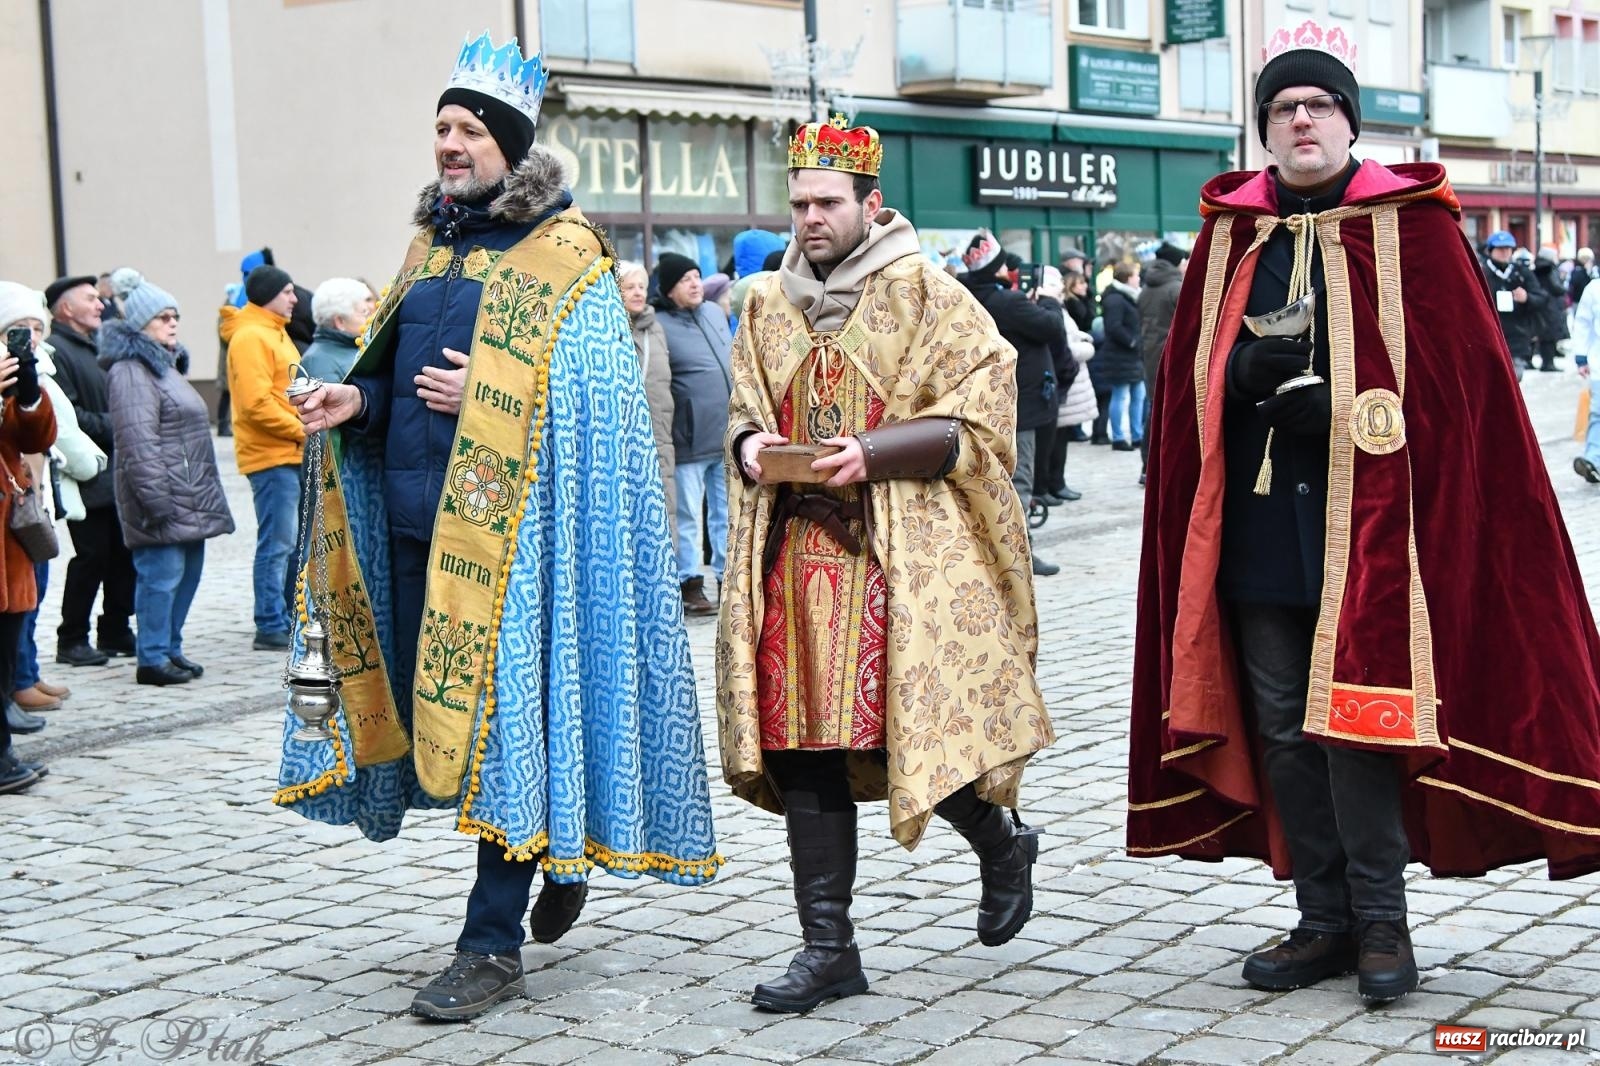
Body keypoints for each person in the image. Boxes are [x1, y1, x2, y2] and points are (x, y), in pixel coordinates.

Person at [1130, 18, 1600, 1008]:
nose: (1300, 122)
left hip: (1379, 531)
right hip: (1257, 530)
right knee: (1283, 728)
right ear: (1264, 132)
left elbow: (1462, 391)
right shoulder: (1230, 235)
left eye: (1318, 107)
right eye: (1283, 110)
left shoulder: (1415, 229)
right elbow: (1183, 387)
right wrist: (1234, 375)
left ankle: (1382, 919)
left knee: (1357, 724)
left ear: (1347, 122)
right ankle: (1323, 916)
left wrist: (1340, 404)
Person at [277, 33, 720, 1022]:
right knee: (453, 734)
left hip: (517, 545)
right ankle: (552, 849)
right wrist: (357, 402)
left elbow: (600, 406)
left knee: (502, 733)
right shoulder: (429, 247)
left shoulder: (568, 255)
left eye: (468, 129)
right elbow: (394, 374)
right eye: (439, 126)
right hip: (408, 529)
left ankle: (490, 945)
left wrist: (496, 389)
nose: (448, 143)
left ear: (510, 148)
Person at [717, 116, 1054, 1015]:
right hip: (793, 557)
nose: (810, 219)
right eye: (798, 204)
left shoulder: (930, 295)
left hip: (894, 555)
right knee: (805, 752)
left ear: (872, 203)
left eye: (828, 202)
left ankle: (999, 841)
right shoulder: (762, 303)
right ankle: (828, 949)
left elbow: (981, 416)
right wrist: (751, 447)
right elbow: (743, 409)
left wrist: (874, 450)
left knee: (909, 731)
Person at [102, 279, 235, 688]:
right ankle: (152, 657)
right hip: (162, 496)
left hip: (189, 494)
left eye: (175, 315)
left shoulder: (165, 365)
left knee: (188, 573)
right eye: (162, 317)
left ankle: (170, 648)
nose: (172, 323)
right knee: (160, 577)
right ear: (140, 325)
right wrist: (155, 499)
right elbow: (137, 443)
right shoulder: (130, 371)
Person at [962, 231, 1069, 576]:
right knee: (1019, 482)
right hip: (1020, 407)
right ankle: (1019, 558)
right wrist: (1050, 299)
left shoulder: (967, 296)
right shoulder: (1007, 302)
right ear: (995, 269)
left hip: (985, 404)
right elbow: (1051, 327)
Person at [46, 275, 135, 668]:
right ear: (66, 309)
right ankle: (72, 637)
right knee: (92, 556)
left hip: (115, 469)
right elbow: (70, 419)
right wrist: (121, 422)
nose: (101, 305)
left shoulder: (97, 347)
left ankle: (115, 629)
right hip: (87, 472)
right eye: (91, 299)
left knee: (122, 555)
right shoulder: (58, 351)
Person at [223, 265, 306, 651]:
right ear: (269, 294)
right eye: (287, 291)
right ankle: (270, 622)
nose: (294, 299)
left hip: (289, 451)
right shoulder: (251, 336)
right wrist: (302, 429)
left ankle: (287, 616)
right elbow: (256, 404)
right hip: (271, 455)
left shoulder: (274, 332)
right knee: (276, 543)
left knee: (289, 543)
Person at [0, 283, 59, 789]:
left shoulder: (11, 372)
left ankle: (1, 752)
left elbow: (34, 438)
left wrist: (28, 393)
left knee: (5, 647)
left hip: (9, 541)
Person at [653, 251, 733, 616]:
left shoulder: (715, 314)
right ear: (669, 289)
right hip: (687, 438)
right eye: (686, 279)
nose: (696, 284)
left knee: (726, 513)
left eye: (698, 277)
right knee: (687, 515)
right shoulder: (659, 324)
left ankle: (726, 578)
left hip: (726, 436)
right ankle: (690, 584)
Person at [618, 262, 676, 544]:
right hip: (623, 435)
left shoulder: (657, 329)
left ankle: (670, 577)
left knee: (663, 505)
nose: (638, 293)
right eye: (630, 287)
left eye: (642, 286)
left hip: (659, 433)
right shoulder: (608, 329)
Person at [1138, 244, 1188, 481]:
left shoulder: (1147, 287)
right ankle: (1159, 465)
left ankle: (1147, 465)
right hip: (1171, 356)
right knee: (1167, 409)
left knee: (1153, 407)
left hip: (1150, 354)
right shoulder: (1176, 289)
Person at [217, 248, 277, 437]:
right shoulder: (239, 296)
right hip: (238, 353)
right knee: (232, 393)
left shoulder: (243, 294)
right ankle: (222, 424)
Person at [1481, 230, 1544, 378]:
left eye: (1508, 249)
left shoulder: (1522, 272)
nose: (1504, 252)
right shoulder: (1481, 272)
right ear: (1491, 250)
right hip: (1489, 335)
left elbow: (1541, 298)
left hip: (1517, 335)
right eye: (1500, 249)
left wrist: (1527, 297)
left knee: (1515, 378)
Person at [1098, 262, 1144, 451]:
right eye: (1136, 275)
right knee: (1120, 395)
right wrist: (1132, 341)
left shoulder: (1130, 296)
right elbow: (1113, 326)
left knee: (1138, 395)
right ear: (1127, 278)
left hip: (1132, 356)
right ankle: (1118, 437)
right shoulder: (1115, 299)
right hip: (1120, 355)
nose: (1139, 278)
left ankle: (1137, 435)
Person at [298, 278, 376, 384]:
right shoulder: (318, 363)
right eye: (364, 313)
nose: (370, 318)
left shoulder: (355, 347)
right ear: (340, 321)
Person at [1573, 270, 1600, 483]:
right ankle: (1593, 461)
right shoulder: (1594, 289)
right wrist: (1581, 357)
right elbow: (1583, 322)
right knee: (1598, 413)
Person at [1532, 248, 1568, 373]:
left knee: (1546, 335)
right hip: (1550, 306)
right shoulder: (1548, 268)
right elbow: (1556, 287)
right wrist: (1563, 286)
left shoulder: (1540, 267)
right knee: (1549, 335)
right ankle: (1548, 363)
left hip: (1545, 305)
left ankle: (1547, 362)